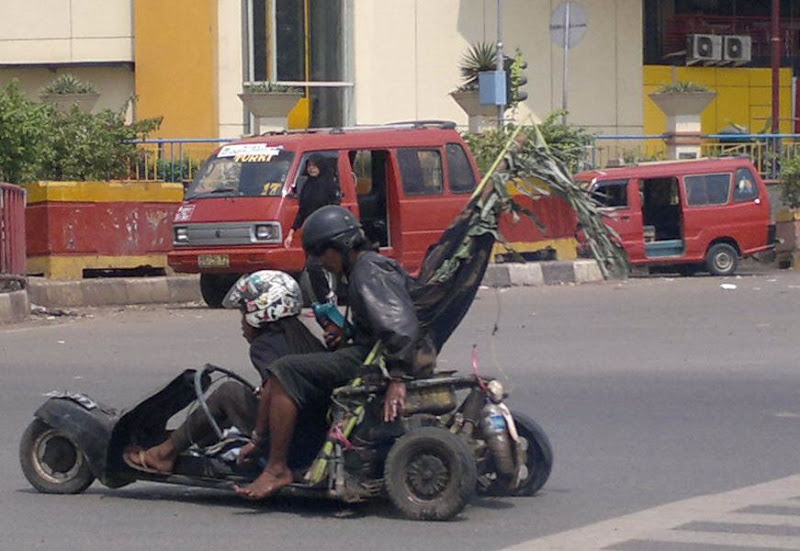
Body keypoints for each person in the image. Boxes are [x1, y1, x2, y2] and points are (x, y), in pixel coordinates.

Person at [233, 205, 434, 500]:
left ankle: (277, 468)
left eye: (320, 253)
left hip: (373, 362)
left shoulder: (368, 270)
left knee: (285, 369)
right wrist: (347, 333)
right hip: (366, 353)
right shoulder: (365, 268)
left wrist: (398, 378)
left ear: (340, 246)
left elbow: (398, 325)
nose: (319, 262)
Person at [123, 270, 325, 475]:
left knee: (228, 393)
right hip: (314, 436)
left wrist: (257, 437)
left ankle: (163, 455)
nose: (241, 322)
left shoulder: (263, 346)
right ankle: (178, 440)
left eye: (243, 313)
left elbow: (275, 390)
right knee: (235, 406)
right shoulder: (305, 338)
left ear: (259, 313)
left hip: (290, 440)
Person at [284, 154, 341, 303]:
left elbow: (334, 207)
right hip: (310, 232)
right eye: (309, 166)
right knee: (311, 268)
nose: (311, 169)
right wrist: (291, 233)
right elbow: (302, 211)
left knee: (314, 265)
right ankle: (323, 300)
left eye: (314, 166)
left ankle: (328, 295)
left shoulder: (330, 185)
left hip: (325, 231)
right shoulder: (307, 186)